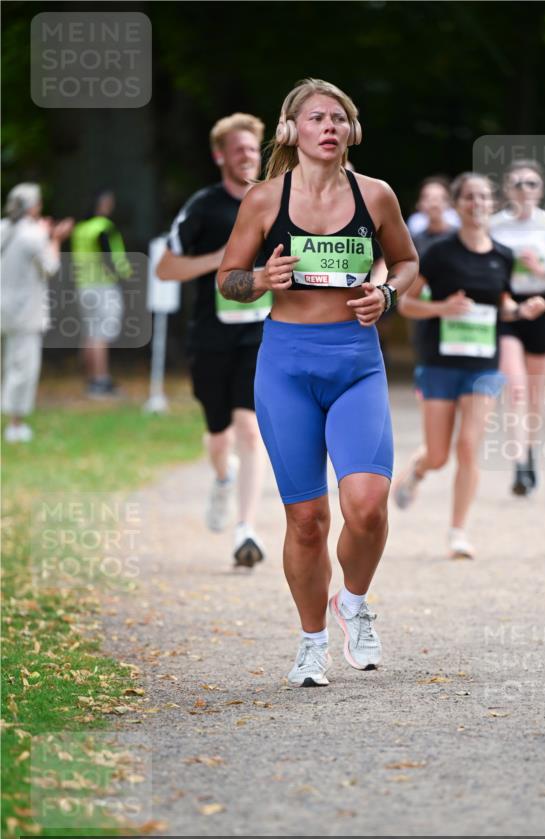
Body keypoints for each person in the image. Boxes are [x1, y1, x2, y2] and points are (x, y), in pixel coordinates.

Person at [217, 78, 418, 687]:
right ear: (291, 130)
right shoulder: (262, 200)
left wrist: (385, 294)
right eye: (316, 118)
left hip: (356, 361)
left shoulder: (376, 196)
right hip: (286, 364)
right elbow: (227, 278)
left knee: (368, 507)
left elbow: (407, 262)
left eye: (339, 119)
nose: (329, 127)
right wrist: (260, 279)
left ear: (350, 132)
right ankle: (311, 643)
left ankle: (352, 602)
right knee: (306, 519)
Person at [392, 172, 545, 558]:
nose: (477, 204)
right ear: (457, 205)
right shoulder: (439, 252)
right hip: (440, 363)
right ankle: (417, 470)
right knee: (439, 454)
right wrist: (441, 308)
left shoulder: (502, 256)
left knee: (468, 448)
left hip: (483, 365)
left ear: (492, 204)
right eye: (469, 198)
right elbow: (407, 304)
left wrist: (521, 309)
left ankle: (457, 532)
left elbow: (502, 305)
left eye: (483, 197)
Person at [157, 113, 270, 568]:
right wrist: (220, 262)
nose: (246, 155)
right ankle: (223, 479)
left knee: (249, 428)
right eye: (238, 149)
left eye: (251, 148)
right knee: (218, 437)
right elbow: (166, 268)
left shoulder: (271, 202)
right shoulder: (203, 207)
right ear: (219, 155)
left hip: (258, 331)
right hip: (209, 333)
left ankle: (246, 530)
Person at [490, 159, 545, 495]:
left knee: (534, 393)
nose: (524, 190)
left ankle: (530, 453)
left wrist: (542, 269)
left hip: (543, 306)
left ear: (540, 190)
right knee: (514, 388)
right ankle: (519, 463)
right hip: (509, 309)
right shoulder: (494, 225)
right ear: (507, 190)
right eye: (517, 184)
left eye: (530, 184)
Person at [1, 184, 73, 442]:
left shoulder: (3, 228)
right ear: (32, 207)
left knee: (8, 364)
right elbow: (51, 267)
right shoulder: (32, 234)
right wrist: (54, 238)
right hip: (25, 312)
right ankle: (15, 424)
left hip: (4, 309)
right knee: (24, 367)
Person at [71, 190, 132, 398]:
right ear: (104, 205)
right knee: (101, 334)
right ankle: (101, 380)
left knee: (90, 332)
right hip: (103, 285)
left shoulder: (81, 229)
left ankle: (91, 378)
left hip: (84, 285)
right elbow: (109, 256)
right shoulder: (103, 227)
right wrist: (121, 275)